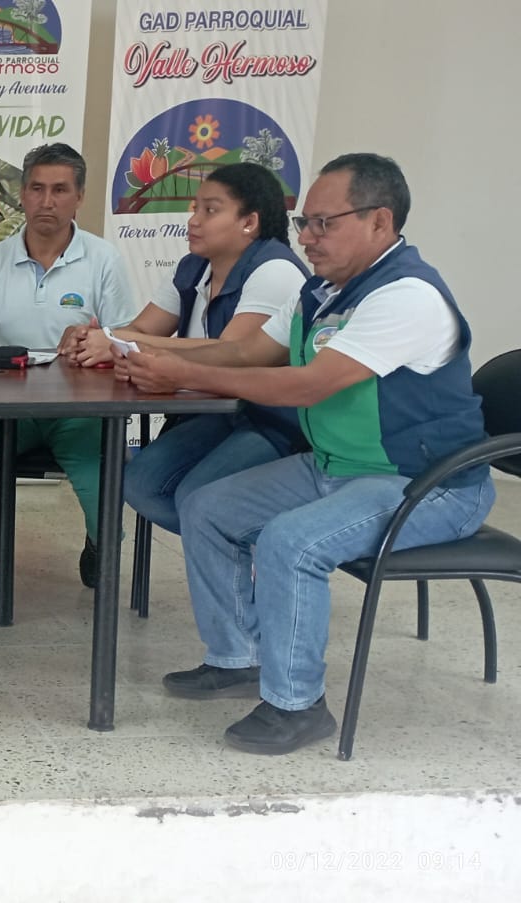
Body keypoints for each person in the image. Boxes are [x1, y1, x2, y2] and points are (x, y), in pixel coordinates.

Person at [120, 153, 496, 754]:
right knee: (207, 508)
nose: (308, 237)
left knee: (291, 543)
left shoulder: (407, 295)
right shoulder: (321, 291)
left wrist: (183, 374)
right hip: (336, 467)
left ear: (380, 221)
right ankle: (237, 657)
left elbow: (308, 385)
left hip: (425, 483)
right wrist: (159, 357)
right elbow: (247, 354)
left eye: (325, 223)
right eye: (305, 223)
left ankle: (297, 706)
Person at [0, 143, 136, 628]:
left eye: (60, 190)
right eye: (37, 189)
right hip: (5, 403)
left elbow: (129, 340)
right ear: (21, 195)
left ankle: (100, 543)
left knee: (96, 465)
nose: (47, 202)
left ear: (79, 197)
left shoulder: (103, 260)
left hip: (78, 406)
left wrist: (97, 340)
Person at [59, 162, 311, 534]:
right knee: (141, 484)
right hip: (212, 414)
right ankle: (233, 540)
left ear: (249, 222)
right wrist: (96, 338)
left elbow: (234, 352)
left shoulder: (274, 270)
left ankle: (246, 543)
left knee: (198, 497)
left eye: (210, 210)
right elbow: (142, 328)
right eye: (195, 208)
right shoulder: (193, 267)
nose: (193, 220)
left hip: (268, 421)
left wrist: (121, 340)